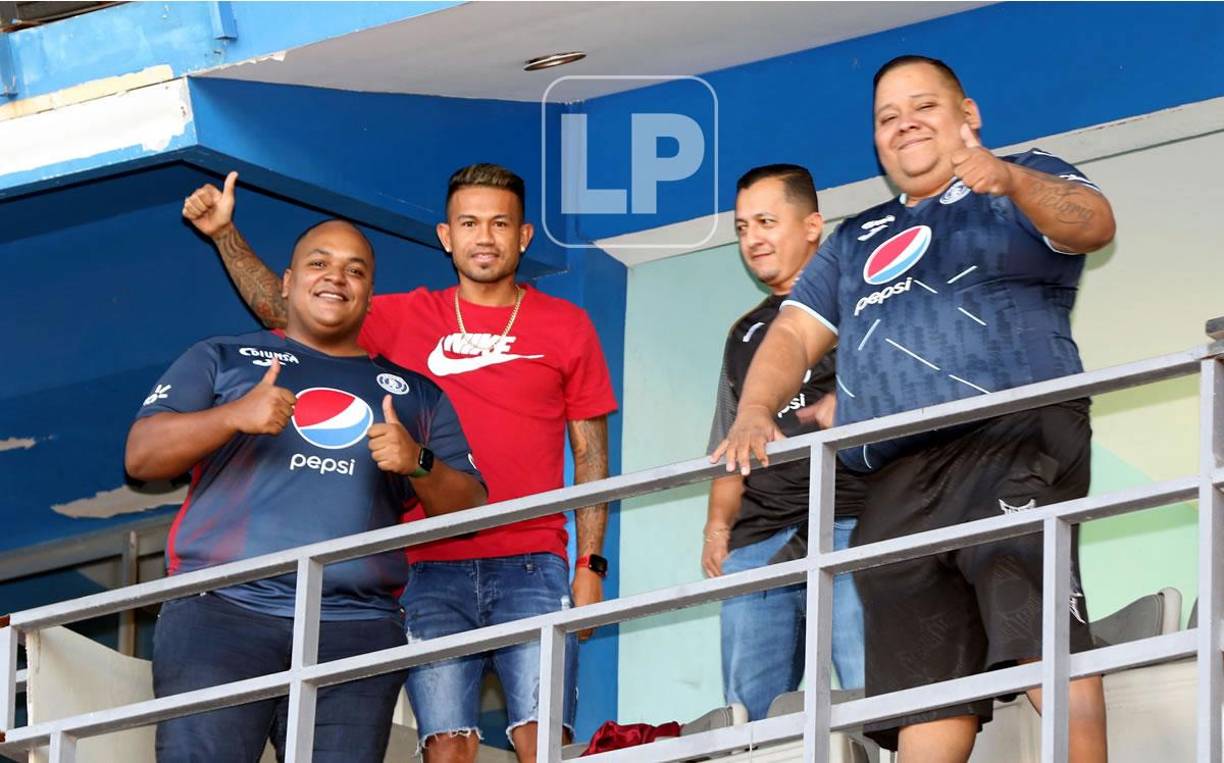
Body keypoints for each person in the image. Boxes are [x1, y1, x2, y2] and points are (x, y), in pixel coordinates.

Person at [712, 55, 1115, 761]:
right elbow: (795, 333)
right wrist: (755, 410)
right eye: (887, 118)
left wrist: (1012, 180)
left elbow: (1095, 225)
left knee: (1042, 644)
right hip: (896, 478)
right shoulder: (854, 238)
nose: (904, 126)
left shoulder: (1021, 176)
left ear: (968, 114)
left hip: (1011, 442)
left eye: (923, 107)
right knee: (923, 693)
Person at [181, 164, 617, 762]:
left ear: (523, 237)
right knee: (447, 748)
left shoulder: (567, 326)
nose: (483, 237)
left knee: (541, 740)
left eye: (499, 224)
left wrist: (591, 564)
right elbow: (287, 310)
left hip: (532, 561)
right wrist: (225, 234)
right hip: (425, 565)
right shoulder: (402, 316)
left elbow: (590, 453)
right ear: (446, 236)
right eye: (469, 223)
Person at [126, 219, 486, 762]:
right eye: (319, 263)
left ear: (369, 296)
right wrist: (233, 416)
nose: (335, 277)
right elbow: (140, 456)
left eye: (354, 270)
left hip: (354, 627)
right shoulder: (222, 356)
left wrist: (418, 463)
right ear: (289, 282)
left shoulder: (416, 394)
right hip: (222, 613)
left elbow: (470, 509)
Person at [703, 164, 865, 721]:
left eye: (766, 222)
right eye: (742, 227)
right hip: (760, 540)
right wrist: (717, 527)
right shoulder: (743, 332)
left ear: (812, 225)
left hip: (855, 520)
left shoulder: (862, 300)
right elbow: (729, 442)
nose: (753, 238)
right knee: (749, 719)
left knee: (870, 697)